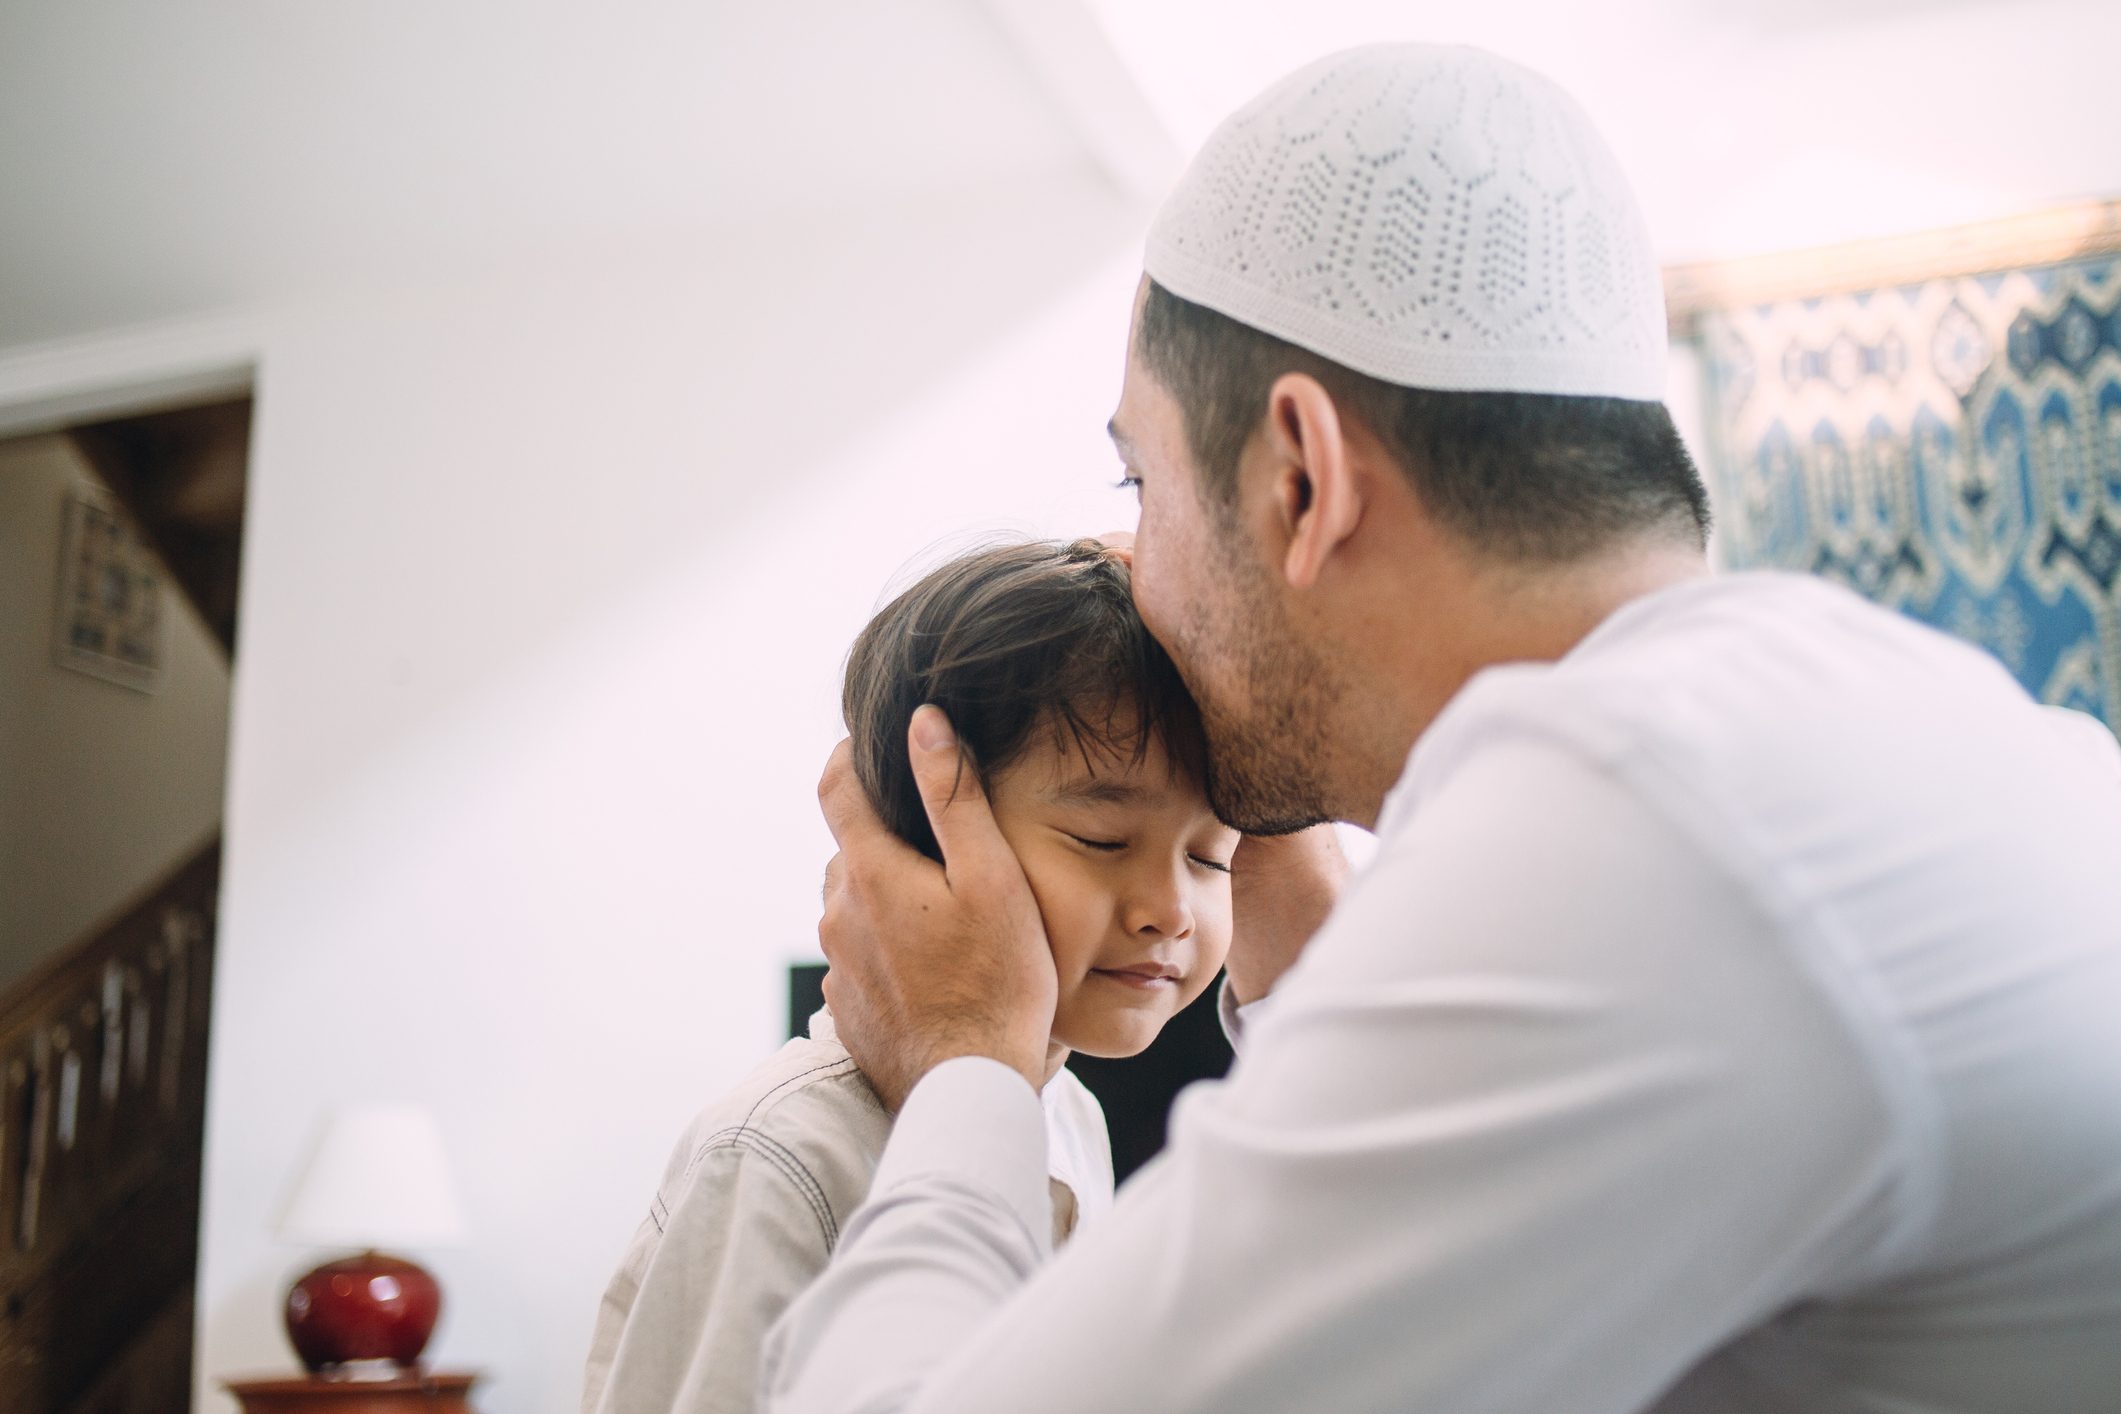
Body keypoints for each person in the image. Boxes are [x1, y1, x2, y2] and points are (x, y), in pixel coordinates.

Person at [759, 43, 2121, 1414]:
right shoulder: (1845, 726)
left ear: (1301, 475)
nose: (1135, 569)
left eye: (1143, 478)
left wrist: (967, 1057)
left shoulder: (1641, 824)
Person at [581, 539, 1238, 1413]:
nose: (1171, 908)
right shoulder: (784, 1156)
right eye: (1103, 842)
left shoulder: (1069, 1116)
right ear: (927, 842)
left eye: (1210, 855)